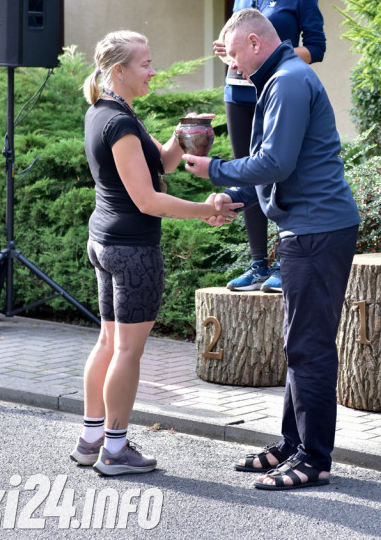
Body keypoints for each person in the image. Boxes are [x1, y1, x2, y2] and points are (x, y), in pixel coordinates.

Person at [184, 9, 360, 491]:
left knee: (310, 347)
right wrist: (234, 196)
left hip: (317, 232)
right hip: (307, 230)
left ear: (255, 43)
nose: (232, 66)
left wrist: (215, 170)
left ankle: (314, 459)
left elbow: (275, 162)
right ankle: (291, 445)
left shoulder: (287, 81)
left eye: (233, 55)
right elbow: (281, 168)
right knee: (297, 343)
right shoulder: (280, 79)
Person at [70, 30, 241, 477]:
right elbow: (147, 200)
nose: (153, 71)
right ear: (119, 70)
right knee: (127, 350)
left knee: (110, 343)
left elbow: (161, 163)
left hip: (107, 242)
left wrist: (183, 135)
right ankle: (115, 450)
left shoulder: (111, 109)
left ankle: (91, 441)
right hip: (130, 249)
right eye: (145, 64)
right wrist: (206, 209)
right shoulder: (119, 122)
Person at [214, 0, 326, 293]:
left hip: (279, 93)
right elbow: (239, 42)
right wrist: (228, 51)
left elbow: (316, 47)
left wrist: (273, 55)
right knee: (247, 173)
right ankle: (258, 264)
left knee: (280, 173)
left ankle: (284, 263)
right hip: (238, 91)